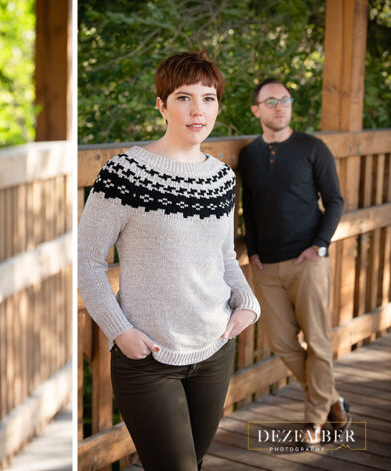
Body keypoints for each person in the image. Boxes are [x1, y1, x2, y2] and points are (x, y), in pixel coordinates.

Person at [76, 51, 260, 470]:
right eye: (184, 97)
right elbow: (86, 260)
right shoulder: (124, 174)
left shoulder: (222, 177)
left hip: (214, 351)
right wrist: (120, 332)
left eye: (208, 98)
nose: (198, 110)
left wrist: (248, 302)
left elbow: (224, 256)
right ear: (161, 104)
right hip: (148, 360)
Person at [238, 78, 348, 444]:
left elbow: (334, 200)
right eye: (271, 101)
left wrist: (319, 245)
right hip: (266, 266)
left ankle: (314, 421)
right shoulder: (250, 155)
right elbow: (249, 208)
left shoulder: (312, 148)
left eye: (285, 100)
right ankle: (331, 398)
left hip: (307, 261)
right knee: (283, 344)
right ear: (256, 110)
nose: (280, 106)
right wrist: (252, 249)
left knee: (317, 342)